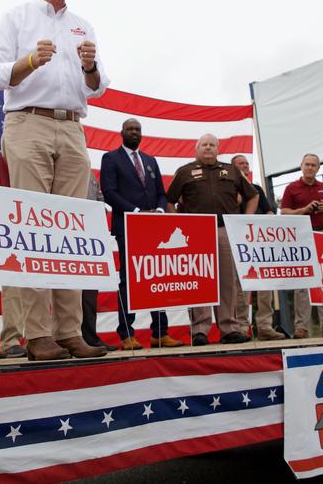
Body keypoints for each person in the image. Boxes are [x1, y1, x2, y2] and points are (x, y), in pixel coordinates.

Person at [0, 0, 110, 361]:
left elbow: (98, 86)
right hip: (28, 123)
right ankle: (38, 335)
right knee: (35, 229)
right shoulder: (16, 17)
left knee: (72, 231)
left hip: (73, 129)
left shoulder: (82, 25)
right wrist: (29, 62)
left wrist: (91, 67)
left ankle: (70, 332)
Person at [100, 118, 184, 350]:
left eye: (138, 130)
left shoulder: (149, 160)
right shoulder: (111, 159)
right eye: (130, 129)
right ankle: (126, 335)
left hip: (153, 230)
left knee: (156, 279)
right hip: (128, 227)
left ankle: (160, 333)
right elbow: (109, 193)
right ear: (122, 132)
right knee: (129, 280)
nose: (134, 133)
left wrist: (157, 210)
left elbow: (161, 193)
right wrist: (136, 212)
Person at [166, 134, 258, 345]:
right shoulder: (185, 172)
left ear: (218, 149)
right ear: (196, 149)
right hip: (196, 233)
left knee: (228, 282)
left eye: (212, 145)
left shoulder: (232, 171)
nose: (208, 148)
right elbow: (169, 199)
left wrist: (244, 221)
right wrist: (179, 224)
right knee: (200, 281)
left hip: (225, 230)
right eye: (204, 145)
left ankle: (229, 329)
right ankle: (200, 330)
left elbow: (253, 196)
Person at [280, 153, 323, 338]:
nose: (310, 168)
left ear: (318, 168)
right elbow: (284, 213)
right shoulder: (292, 188)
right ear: (301, 166)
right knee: (303, 282)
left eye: (313, 165)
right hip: (302, 234)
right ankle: (302, 327)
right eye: (307, 164)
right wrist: (305, 210)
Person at [230, 154, 286, 341]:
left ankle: (264, 326)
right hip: (240, 242)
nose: (245, 166)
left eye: (246, 163)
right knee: (241, 286)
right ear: (232, 168)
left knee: (266, 284)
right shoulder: (229, 188)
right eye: (240, 164)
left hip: (261, 242)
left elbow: (269, 210)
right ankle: (242, 326)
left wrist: (268, 219)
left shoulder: (256, 188)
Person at [0, 152, 26, 358]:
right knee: (12, 285)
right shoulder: (3, 159)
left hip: (41, 226)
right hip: (11, 225)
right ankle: (11, 339)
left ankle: (38, 336)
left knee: (42, 284)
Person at [80, 173, 119, 351]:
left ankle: (90, 337)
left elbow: (100, 198)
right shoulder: (56, 166)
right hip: (64, 237)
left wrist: (98, 210)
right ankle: (67, 337)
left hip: (90, 236)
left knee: (90, 290)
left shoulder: (88, 173)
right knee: (65, 293)